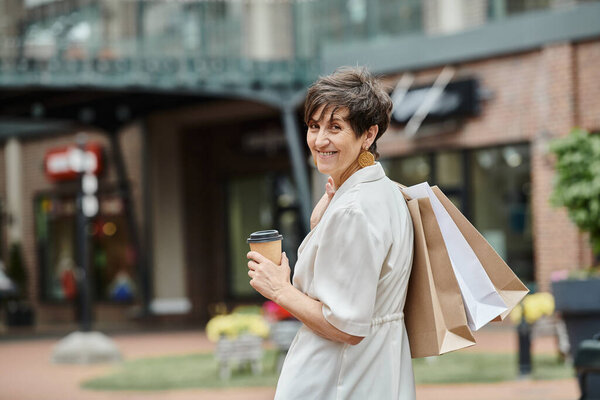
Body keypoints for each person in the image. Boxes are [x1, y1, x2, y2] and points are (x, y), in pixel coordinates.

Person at [247, 67, 415, 399]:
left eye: (335, 127)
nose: (320, 140)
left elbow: (346, 325)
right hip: (372, 372)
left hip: (339, 380)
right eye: (314, 126)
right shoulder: (385, 192)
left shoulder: (354, 209)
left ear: (368, 135)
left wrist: (280, 290)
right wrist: (321, 224)